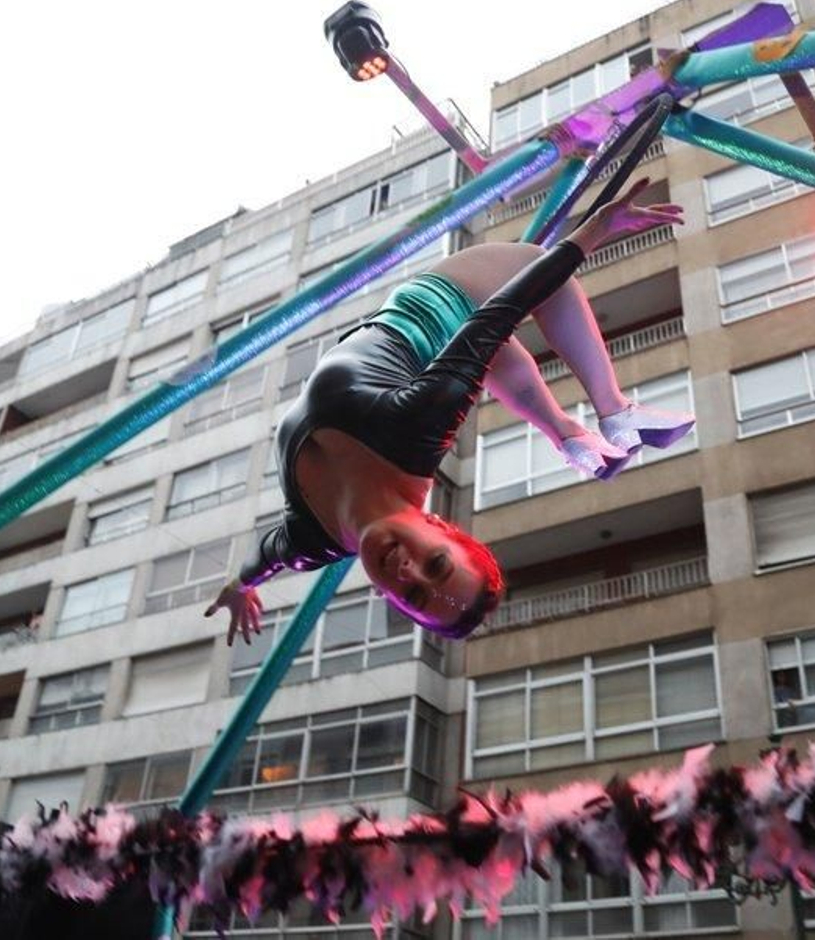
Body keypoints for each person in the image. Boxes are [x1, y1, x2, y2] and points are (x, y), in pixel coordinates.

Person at [206, 179, 693, 644]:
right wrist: (594, 232)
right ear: (442, 527)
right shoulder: (415, 428)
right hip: (438, 308)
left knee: (493, 349)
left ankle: (572, 433)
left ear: (391, 600)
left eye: (413, 594)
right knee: (537, 269)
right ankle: (611, 408)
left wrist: (240, 588)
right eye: (436, 564)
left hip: (438, 349)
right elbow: (502, 311)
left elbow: (263, 559)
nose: (407, 570)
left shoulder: (312, 542)